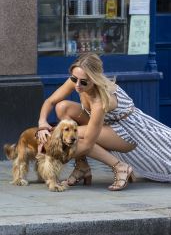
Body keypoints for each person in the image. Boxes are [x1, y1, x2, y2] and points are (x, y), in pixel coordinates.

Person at [37, 52, 171, 191]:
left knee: (74, 136)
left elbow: (88, 144)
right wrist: (42, 124)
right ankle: (82, 166)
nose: (77, 85)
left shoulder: (100, 100)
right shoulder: (78, 81)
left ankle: (120, 167)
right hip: (106, 123)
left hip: (128, 131)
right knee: (62, 107)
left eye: (83, 82)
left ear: (94, 80)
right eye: (73, 78)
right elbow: (50, 101)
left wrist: (53, 153)